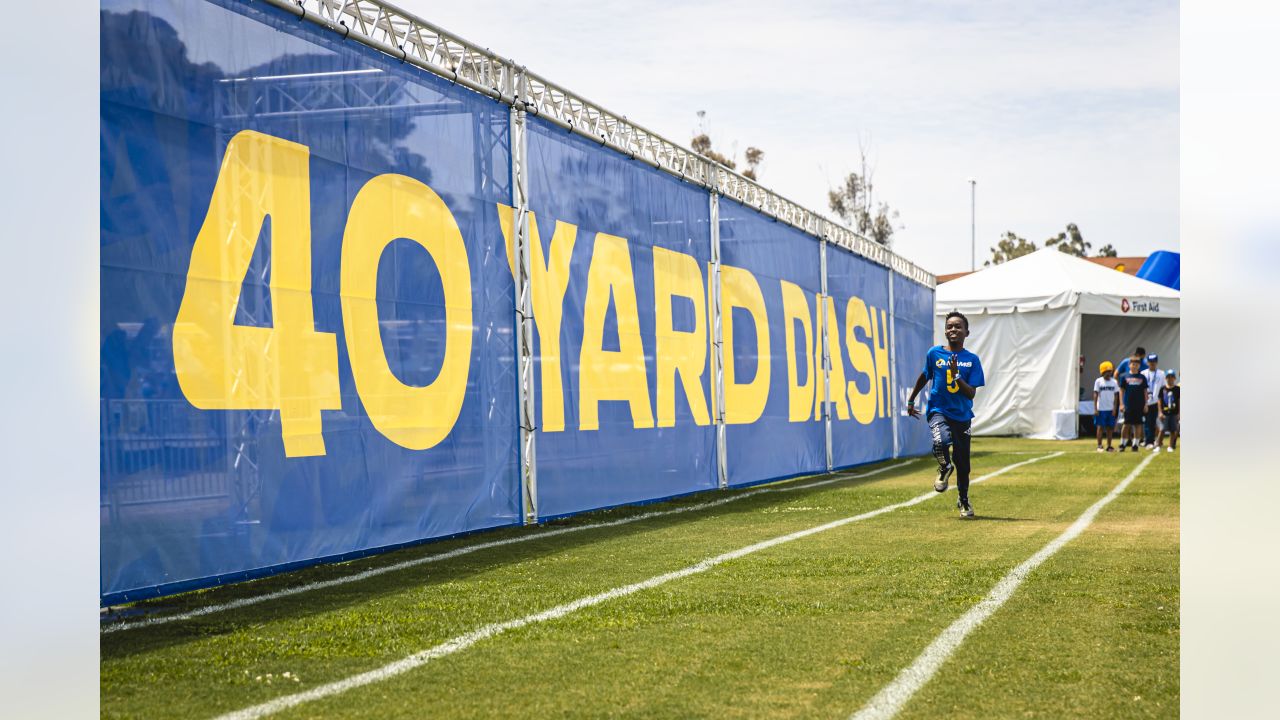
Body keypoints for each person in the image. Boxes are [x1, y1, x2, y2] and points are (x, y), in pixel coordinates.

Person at [907, 311, 986, 518]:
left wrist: (957, 375)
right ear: (945, 330)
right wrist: (911, 399)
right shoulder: (935, 353)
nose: (953, 329)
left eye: (958, 326)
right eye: (950, 326)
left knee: (963, 463)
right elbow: (925, 376)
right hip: (938, 410)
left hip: (962, 415)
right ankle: (943, 467)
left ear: (967, 332)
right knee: (940, 441)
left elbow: (971, 393)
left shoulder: (972, 359)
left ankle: (964, 500)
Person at [1117, 352, 1149, 452]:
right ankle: (1122, 444)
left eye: (1136, 364)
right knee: (1126, 424)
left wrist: (1146, 404)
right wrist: (1121, 404)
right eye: (1133, 364)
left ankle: (1135, 445)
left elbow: (1145, 391)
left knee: (1138, 425)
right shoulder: (1124, 377)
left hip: (1139, 405)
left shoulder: (1142, 377)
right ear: (1129, 365)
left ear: (1139, 365)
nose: (1134, 365)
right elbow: (1121, 391)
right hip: (1128, 405)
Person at [1141, 353, 1167, 449]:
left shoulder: (1161, 373)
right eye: (1150, 362)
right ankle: (1148, 441)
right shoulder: (1143, 373)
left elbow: (1164, 388)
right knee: (1148, 422)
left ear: (1157, 362)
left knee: (1157, 422)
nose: (1152, 363)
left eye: (1154, 362)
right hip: (1146, 401)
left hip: (1157, 401)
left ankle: (1158, 440)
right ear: (1147, 362)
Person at [1093, 361, 1120, 452]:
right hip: (1101, 409)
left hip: (1110, 409)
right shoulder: (1098, 381)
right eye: (1107, 371)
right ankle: (1099, 445)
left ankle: (1109, 446)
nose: (1109, 373)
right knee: (1100, 427)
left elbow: (1116, 396)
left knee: (1110, 428)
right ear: (1102, 372)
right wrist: (1095, 408)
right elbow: (1096, 394)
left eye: (1110, 371)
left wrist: (1115, 408)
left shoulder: (1114, 382)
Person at [1156, 370, 1180, 452]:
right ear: (1165, 378)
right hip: (1164, 413)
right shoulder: (1163, 389)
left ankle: (1170, 446)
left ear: (1174, 378)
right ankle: (1158, 445)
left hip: (1174, 413)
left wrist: (1179, 413)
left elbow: (1179, 401)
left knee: (1173, 430)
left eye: (1172, 377)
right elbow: (1159, 401)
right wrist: (1160, 412)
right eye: (1168, 377)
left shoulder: (1177, 389)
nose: (1170, 379)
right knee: (1162, 429)